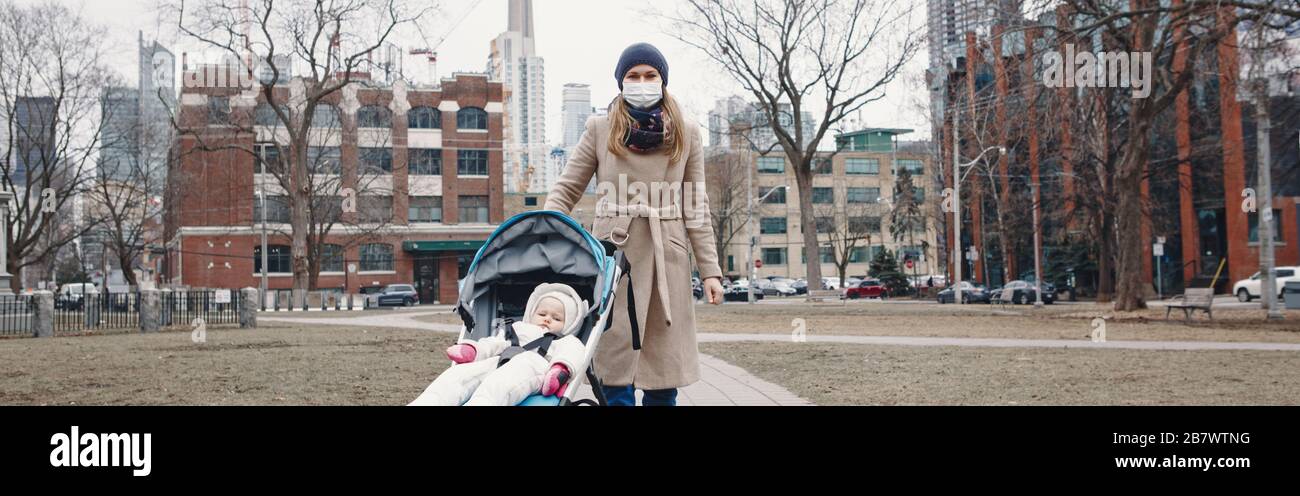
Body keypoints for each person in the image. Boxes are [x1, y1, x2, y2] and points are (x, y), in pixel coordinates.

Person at [543, 42, 725, 406]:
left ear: (663, 80)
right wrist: (545, 238)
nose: (642, 82)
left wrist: (710, 271)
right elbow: (565, 191)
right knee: (614, 368)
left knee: (662, 374)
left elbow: (696, 206)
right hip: (614, 258)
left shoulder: (687, 132)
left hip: (666, 259)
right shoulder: (600, 128)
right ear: (621, 82)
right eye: (633, 76)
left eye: (650, 75)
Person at [408, 283, 587, 406]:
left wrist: (559, 372)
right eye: (542, 314)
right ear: (531, 313)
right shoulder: (518, 328)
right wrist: (474, 350)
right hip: (499, 361)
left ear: (570, 324)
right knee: (459, 375)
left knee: (499, 385)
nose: (548, 319)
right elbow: (496, 343)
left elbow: (572, 354)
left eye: (557, 318)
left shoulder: (565, 340)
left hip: (535, 367)